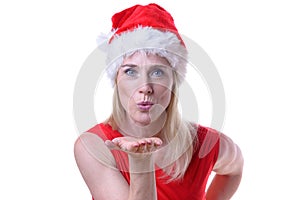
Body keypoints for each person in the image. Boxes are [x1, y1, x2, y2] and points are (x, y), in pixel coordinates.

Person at [74, 3, 243, 200]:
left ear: (174, 81)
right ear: (116, 80)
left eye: (157, 72)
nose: (145, 86)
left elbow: (234, 169)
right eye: (130, 71)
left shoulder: (205, 143)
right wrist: (140, 160)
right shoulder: (94, 145)